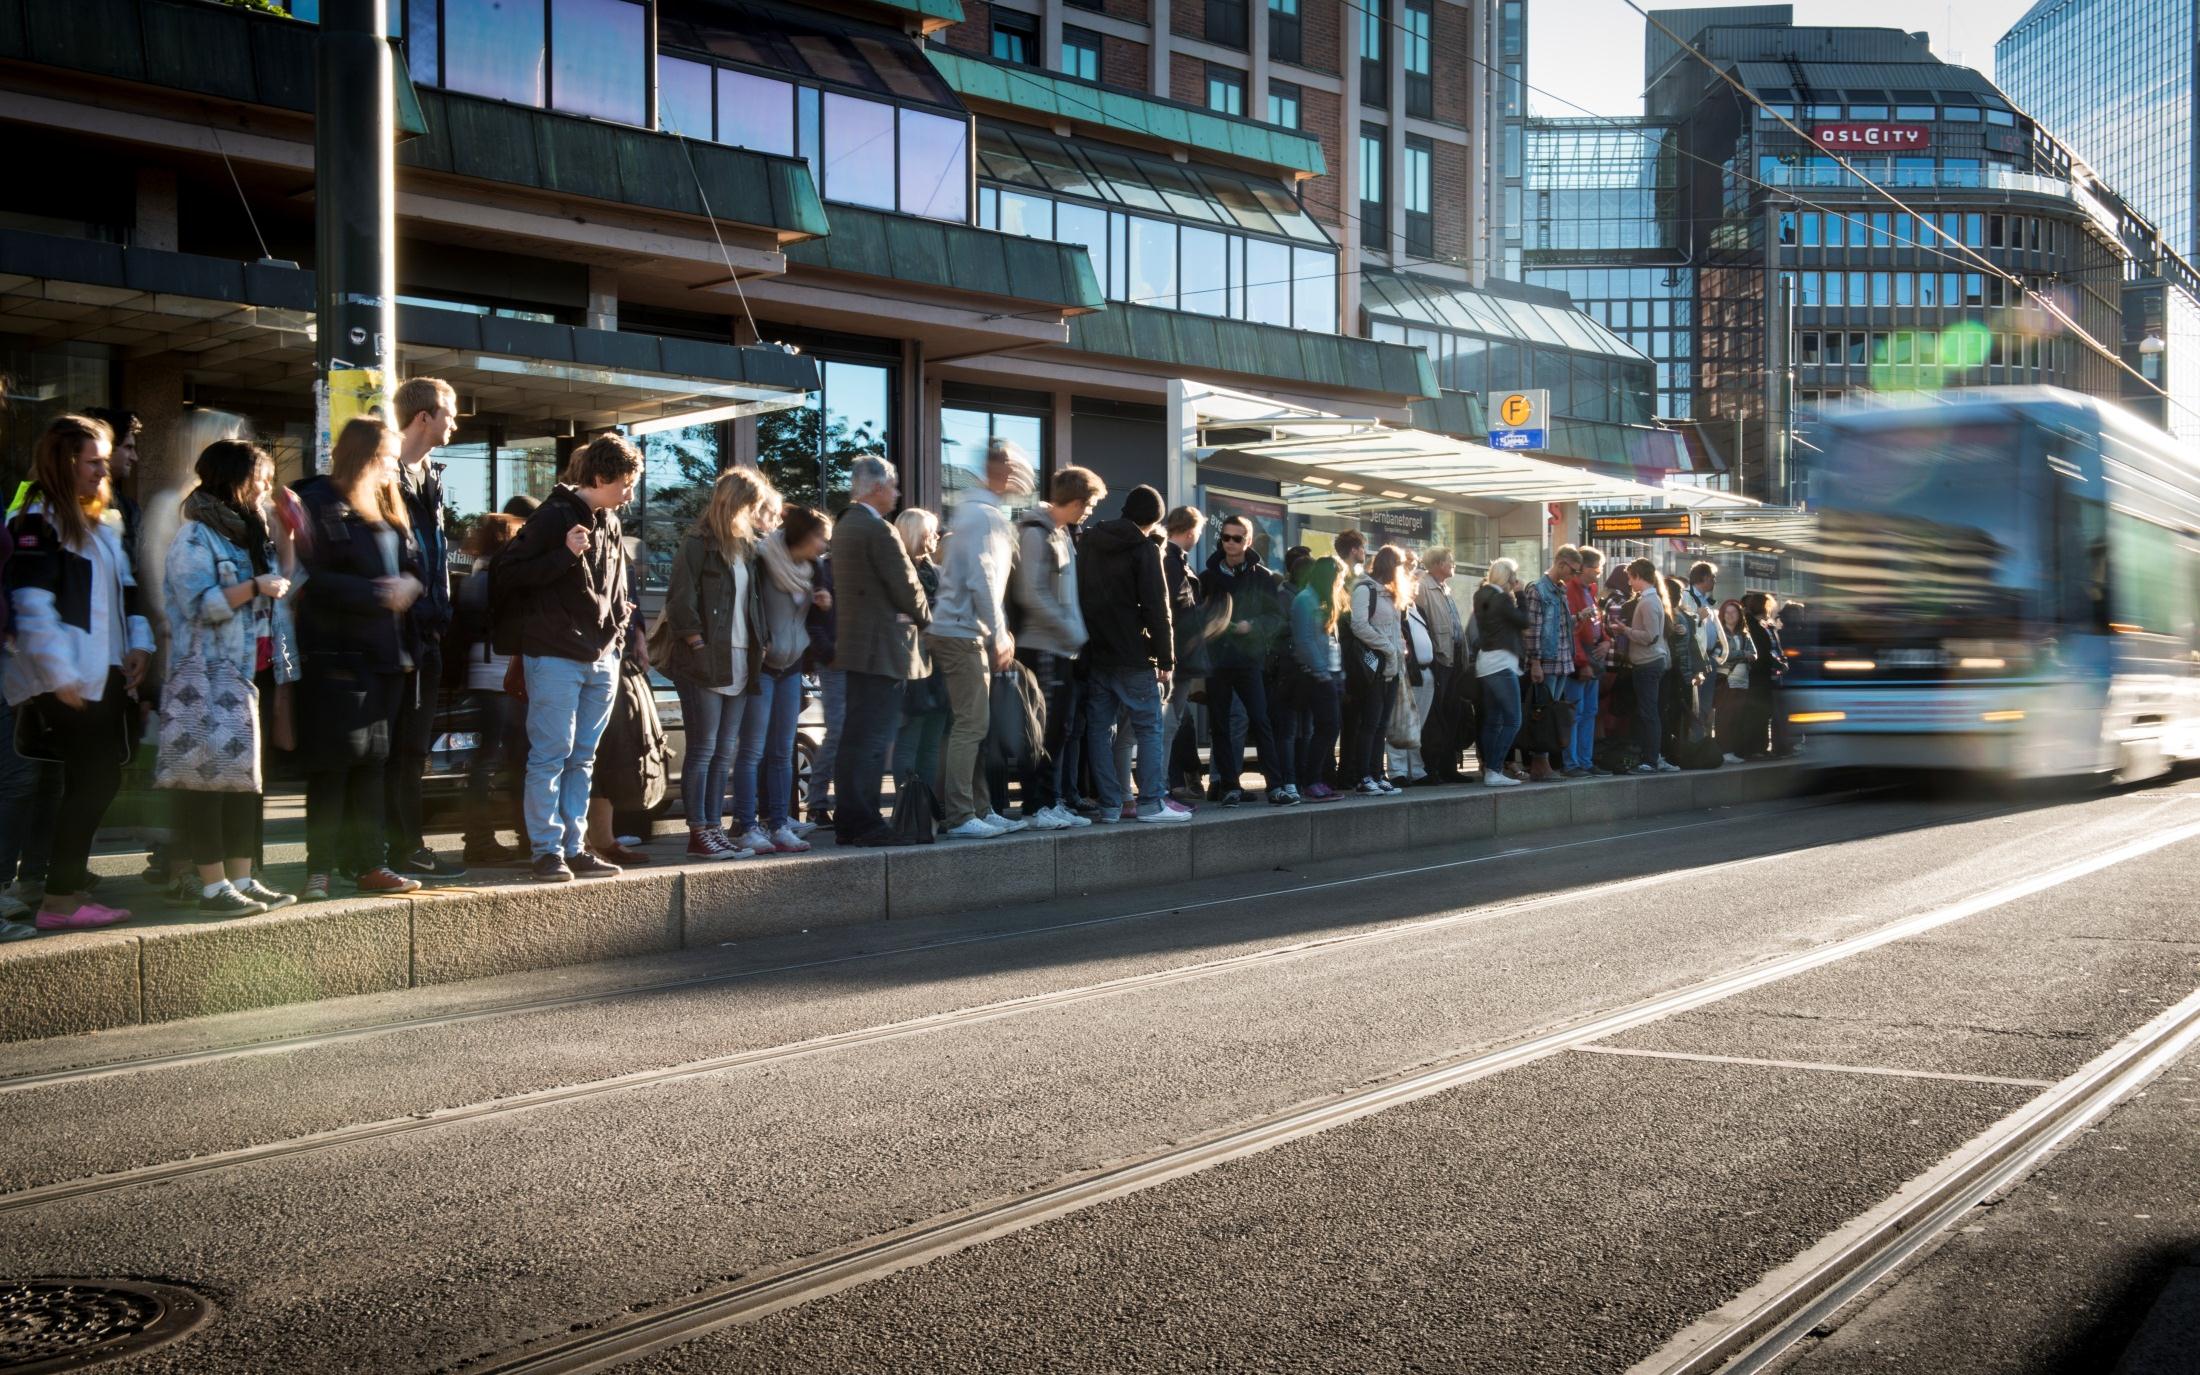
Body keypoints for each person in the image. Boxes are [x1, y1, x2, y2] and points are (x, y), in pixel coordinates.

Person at [0, 416, 154, 931]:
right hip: (67, 678)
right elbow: (32, 604)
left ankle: (58, 894)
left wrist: (139, 644)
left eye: (104, 460)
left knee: (95, 779)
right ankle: (57, 899)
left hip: (100, 673)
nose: (102, 470)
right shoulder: (36, 519)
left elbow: (126, 589)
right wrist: (58, 674)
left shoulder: (100, 519)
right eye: (93, 461)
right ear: (65, 462)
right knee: (89, 779)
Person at [160, 439, 299, 916]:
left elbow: (281, 593)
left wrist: (286, 542)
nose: (266, 485)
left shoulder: (250, 532)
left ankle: (243, 877)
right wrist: (254, 586)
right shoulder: (196, 537)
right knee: (209, 783)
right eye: (260, 476)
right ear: (235, 479)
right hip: (209, 676)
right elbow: (199, 605)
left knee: (245, 784)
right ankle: (212, 886)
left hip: (248, 675)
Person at [493, 432, 640, 883]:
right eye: (625, 484)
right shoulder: (553, 515)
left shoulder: (609, 520)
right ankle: (546, 850)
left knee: (581, 756)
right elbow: (507, 574)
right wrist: (563, 554)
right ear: (600, 477)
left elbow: (617, 586)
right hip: (555, 654)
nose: (629, 494)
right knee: (551, 754)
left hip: (599, 655)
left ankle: (574, 847)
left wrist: (618, 632)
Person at [292, 417, 426, 900]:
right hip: (339, 655)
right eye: (389, 456)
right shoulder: (321, 503)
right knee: (333, 766)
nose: (395, 465)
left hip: (389, 657)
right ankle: (319, 868)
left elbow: (415, 563)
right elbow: (307, 578)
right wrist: (374, 592)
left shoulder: (389, 504)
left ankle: (370, 862)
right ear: (366, 455)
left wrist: (412, 583)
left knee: (374, 763)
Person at [663, 468, 778, 861]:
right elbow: (680, 597)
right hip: (704, 661)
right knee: (704, 748)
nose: (756, 512)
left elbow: (754, 602)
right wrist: (695, 641)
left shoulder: (747, 547)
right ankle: (699, 831)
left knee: (724, 751)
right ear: (736, 502)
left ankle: (714, 828)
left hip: (742, 661)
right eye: (752, 504)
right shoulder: (698, 543)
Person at [927, 442, 1032, 839]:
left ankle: (979, 808)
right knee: (971, 725)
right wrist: (1000, 631)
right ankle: (960, 815)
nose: (1028, 478)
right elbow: (983, 578)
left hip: (962, 631)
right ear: (1003, 470)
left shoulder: (977, 511)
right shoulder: (985, 516)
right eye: (1023, 468)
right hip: (962, 632)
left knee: (972, 724)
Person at [385, 376, 465, 879]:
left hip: (429, 632)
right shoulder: (388, 476)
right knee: (402, 749)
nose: (454, 423)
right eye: (449, 413)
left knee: (414, 748)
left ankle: (405, 846)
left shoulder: (427, 477)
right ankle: (399, 847)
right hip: (402, 635)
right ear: (424, 417)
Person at [828, 455, 929, 846]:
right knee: (872, 741)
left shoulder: (845, 525)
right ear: (878, 487)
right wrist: (925, 618)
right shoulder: (879, 531)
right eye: (894, 485)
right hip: (883, 649)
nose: (898, 493)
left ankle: (850, 820)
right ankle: (866, 822)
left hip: (856, 647)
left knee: (855, 738)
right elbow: (908, 587)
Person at [1077, 485, 1184, 824]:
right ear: (1154, 520)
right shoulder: (1144, 548)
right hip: (1134, 655)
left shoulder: (1090, 541)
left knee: (1099, 729)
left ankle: (1109, 805)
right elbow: (1158, 608)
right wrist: (1166, 660)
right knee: (1149, 727)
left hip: (1096, 650)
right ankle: (1152, 803)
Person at [730, 503, 831, 855]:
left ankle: (779, 823)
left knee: (781, 751)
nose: (823, 546)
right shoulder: (762, 558)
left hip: (791, 666)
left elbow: (814, 620)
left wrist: (825, 604)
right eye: (820, 538)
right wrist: (761, 639)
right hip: (762, 664)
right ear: (803, 536)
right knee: (752, 750)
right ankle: (746, 824)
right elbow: (745, 605)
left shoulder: (814, 569)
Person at [1013, 466, 1102, 830]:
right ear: (1078, 500)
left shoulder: (1060, 533)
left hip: (1060, 646)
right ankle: (1037, 806)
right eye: (1091, 504)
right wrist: (1070, 630)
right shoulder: (1037, 533)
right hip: (1043, 645)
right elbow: (1030, 591)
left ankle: (1051, 800)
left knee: (1060, 727)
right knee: (1044, 729)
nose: (1090, 511)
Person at [449, 514, 528, 864]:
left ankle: (484, 838)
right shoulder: (500, 574)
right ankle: (494, 839)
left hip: (486, 671)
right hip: (500, 673)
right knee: (508, 759)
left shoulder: (477, 573)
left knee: (495, 759)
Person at [1201, 514, 1286, 806]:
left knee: (1261, 721)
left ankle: (1275, 785)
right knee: (1221, 725)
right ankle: (1229, 786)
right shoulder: (1208, 577)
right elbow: (1199, 616)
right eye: (1225, 537)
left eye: (1237, 538)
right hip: (1219, 661)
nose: (1230, 543)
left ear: (1247, 541)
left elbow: (1276, 616)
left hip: (1249, 660)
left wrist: (1254, 627)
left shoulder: (1263, 577)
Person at [891, 508, 948, 798]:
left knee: (932, 741)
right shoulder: (897, 570)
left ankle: (925, 810)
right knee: (910, 738)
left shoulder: (936, 572)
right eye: (931, 530)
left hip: (939, 664)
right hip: (910, 666)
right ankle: (905, 808)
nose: (937, 536)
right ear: (916, 533)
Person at [1343, 544, 1408, 794]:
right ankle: (1364, 775)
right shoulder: (1364, 588)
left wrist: (1398, 652)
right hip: (1373, 665)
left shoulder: (1389, 593)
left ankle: (1377, 772)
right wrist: (1388, 649)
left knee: (1381, 724)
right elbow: (1359, 625)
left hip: (1391, 667)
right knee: (1369, 722)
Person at [1158, 506, 1210, 809]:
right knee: (1168, 724)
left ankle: (1161, 788)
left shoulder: (1170, 559)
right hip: (1177, 656)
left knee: (1169, 724)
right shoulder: (1173, 561)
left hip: (1175, 654)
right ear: (1191, 531)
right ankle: (1160, 789)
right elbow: (1180, 611)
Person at [1286, 555, 1348, 801]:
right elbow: (1304, 641)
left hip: (1330, 674)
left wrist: (1338, 673)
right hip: (1316, 676)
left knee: (1326, 728)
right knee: (1326, 727)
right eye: (1340, 577)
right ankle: (1310, 780)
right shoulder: (1305, 600)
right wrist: (1322, 671)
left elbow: (1331, 641)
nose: (1342, 582)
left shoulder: (1323, 600)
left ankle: (1314, 779)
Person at [1521, 546, 1582, 782]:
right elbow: (1532, 630)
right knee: (1542, 713)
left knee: (1551, 714)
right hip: (1547, 661)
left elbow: (1558, 625)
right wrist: (1535, 661)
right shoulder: (1538, 590)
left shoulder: (1559, 590)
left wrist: (1578, 618)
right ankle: (1539, 763)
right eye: (1573, 570)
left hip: (1562, 660)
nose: (1573, 576)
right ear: (1561, 563)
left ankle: (1544, 762)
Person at [1472, 558, 1528, 788]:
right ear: (1507, 577)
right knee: (1513, 719)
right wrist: (1521, 594)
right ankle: (1494, 769)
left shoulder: (1481, 595)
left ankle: (1489, 768)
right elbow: (1524, 620)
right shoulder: (1502, 598)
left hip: (1486, 663)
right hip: (1502, 664)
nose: (1516, 580)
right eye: (1514, 576)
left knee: (1493, 720)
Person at [1412, 548, 1467, 784]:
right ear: (1436, 563)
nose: (1453, 564)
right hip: (1439, 659)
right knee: (1435, 717)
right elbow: (1421, 624)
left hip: (1454, 659)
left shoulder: (1445, 587)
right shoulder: (1423, 586)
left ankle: (1448, 766)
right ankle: (1430, 767)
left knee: (1451, 713)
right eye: (1449, 560)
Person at [1623, 557, 1679, 774]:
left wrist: (1625, 631)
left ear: (1638, 577)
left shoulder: (1647, 602)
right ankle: (1652, 757)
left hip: (1647, 662)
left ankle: (1650, 760)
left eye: (1630, 578)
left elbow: (1650, 636)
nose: (1629, 583)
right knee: (1650, 711)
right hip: (1651, 662)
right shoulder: (1653, 600)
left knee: (1648, 713)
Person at [1567, 547, 1611, 777]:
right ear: (1583, 568)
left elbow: (1597, 622)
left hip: (1592, 654)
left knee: (1589, 711)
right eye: (1596, 569)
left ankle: (1585, 760)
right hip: (1580, 657)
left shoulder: (1591, 590)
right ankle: (1572, 762)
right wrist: (1581, 662)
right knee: (1576, 712)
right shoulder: (1569, 590)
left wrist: (1606, 640)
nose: (1599, 574)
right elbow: (1572, 631)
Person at [1737, 590, 1785, 761]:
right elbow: (1764, 651)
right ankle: (1755, 748)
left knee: (1760, 714)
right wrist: (1778, 664)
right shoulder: (1755, 626)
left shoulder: (1757, 624)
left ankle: (1758, 748)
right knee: (1758, 714)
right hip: (1758, 675)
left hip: (1758, 675)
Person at [1681, 561, 1724, 744]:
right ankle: (1693, 744)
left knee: (1705, 706)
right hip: (1694, 658)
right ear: (1705, 578)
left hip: (1708, 658)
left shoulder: (1706, 599)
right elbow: (1684, 624)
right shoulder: (1685, 597)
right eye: (1713, 578)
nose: (1715, 582)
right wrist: (1698, 616)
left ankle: (1702, 743)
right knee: (1694, 705)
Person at [1713, 597, 1756, 765]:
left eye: (1734, 612)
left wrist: (1740, 655)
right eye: (1727, 612)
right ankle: (1724, 751)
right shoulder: (1719, 634)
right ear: (1722, 615)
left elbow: (1754, 654)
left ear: (1740, 615)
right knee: (1725, 717)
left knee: (1737, 717)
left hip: (1743, 681)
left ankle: (1731, 750)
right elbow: (1719, 657)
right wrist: (1741, 655)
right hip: (1726, 681)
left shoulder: (1744, 634)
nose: (1730, 615)